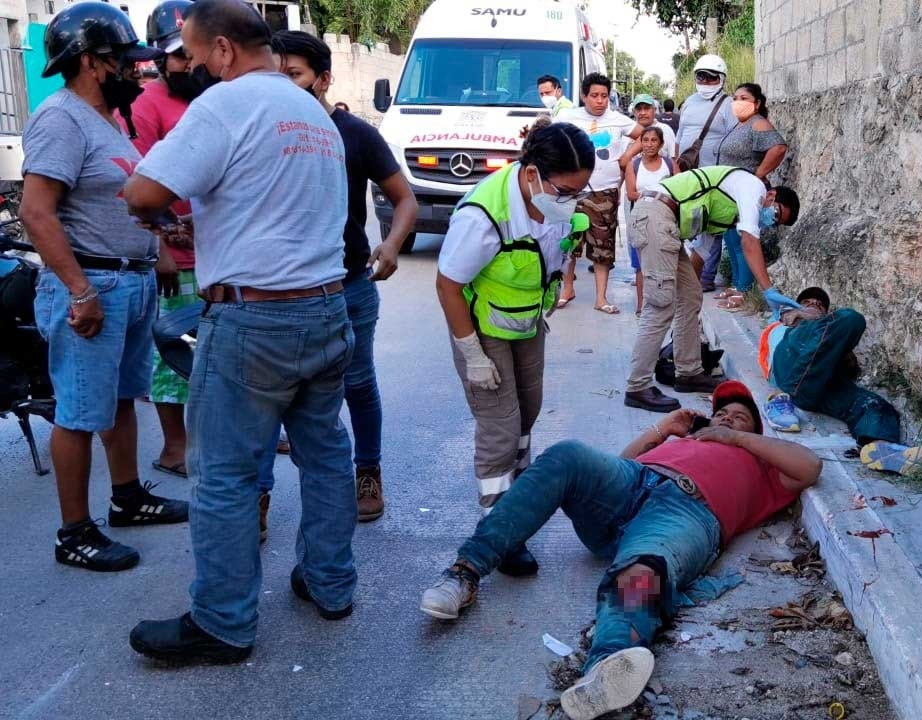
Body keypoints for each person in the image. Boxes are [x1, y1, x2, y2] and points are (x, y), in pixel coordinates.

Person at [125, 0, 354, 663]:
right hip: (326, 307)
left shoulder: (226, 104)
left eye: (196, 56)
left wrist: (166, 222)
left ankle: (223, 622)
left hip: (256, 317)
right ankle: (330, 582)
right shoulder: (313, 113)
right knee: (326, 453)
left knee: (223, 474)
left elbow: (142, 192)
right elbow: (279, 205)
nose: (192, 67)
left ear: (224, 49)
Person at [419, 381, 822, 720]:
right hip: (636, 482)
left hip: (688, 512)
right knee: (568, 456)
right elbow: (620, 465)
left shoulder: (765, 466)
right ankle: (464, 572)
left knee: (645, 569)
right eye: (722, 413)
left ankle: (604, 670)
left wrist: (734, 437)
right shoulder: (686, 440)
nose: (727, 417)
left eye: (740, 415)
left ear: (755, 431)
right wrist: (664, 430)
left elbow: (810, 466)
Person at [20, 2, 181, 573]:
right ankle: (74, 532)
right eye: (125, 61)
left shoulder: (110, 121)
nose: (138, 71)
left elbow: (121, 201)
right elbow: (37, 213)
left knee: (118, 400)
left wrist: (158, 246)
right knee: (79, 411)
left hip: (129, 281)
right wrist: (80, 291)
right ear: (91, 62)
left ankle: (128, 497)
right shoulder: (61, 118)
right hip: (93, 286)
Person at [436, 116, 593, 577]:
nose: (571, 201)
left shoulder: (557, 206)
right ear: (531, 175)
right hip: (480, 327)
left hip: (526, 323)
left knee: (528, 413)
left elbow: (557, 255)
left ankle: (517, 502)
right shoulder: (484, 214)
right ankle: (499, 528)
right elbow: (448, 285)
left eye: (578, 191)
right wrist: (472, 355)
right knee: (500, 426)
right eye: (564, 191)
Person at [274, 30, 417, 522]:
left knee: (357, 383)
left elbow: (405, 198)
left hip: (349, 284)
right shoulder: (265, 129)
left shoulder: (355, 133)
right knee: (276, 394)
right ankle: (257, 497)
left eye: (294, 75)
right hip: (279, 291)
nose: (284, 85)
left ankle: (368, 472)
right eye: (276, 75)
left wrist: (393, 244)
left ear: (324, 79)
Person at [118, 0, 211, 481]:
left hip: (214, 254)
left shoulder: (207, 99)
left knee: (211, 352)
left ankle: (213, 435)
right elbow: (133, 184)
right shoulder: (146, 105)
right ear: (157, 58)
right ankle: (176, 446)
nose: (185, 64)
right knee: (170, 356)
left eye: (188, 54)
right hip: (172, 257)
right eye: (175, 56)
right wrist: (157, 252)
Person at [624, 166, 801, 413]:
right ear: (771, 196)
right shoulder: (754, 188)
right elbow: (749, 241)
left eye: (776, 222)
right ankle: (637, 386)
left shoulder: (726, 212)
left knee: (690, 296)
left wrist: (688, 292)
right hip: (656, 214)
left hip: (665, 224)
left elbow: (700, 254)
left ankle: (688, 373)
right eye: (776, 213)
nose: (771, 220)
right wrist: (768, 290)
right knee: (661, 303)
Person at [756, 287, 900, 442]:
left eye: (819, 305)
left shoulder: (825, 332)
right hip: (787, 366)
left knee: (876, 406)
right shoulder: (787, 320)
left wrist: (843, 354)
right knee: (852, 317)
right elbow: (784, 315)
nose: (814, 304)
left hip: (817, 383)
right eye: (806, 302)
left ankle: (879, 445)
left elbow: (847, 367)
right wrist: (799, 314)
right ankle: (781, 397)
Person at [558, 72, 641, 314]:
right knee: (569, 243)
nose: (599, 100)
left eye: (604, 96)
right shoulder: (568, 117)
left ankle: (601, 298)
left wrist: (626, 157)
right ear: (584, 96)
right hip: (573, 192)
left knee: (602, 247)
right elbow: (547, 138)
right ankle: (567, 290)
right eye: (594, 95)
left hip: (605, 193)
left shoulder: (618, 119)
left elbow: (643, 134)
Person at [714, 83, 789, 306]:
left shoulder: (758, 123)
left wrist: (758, 174)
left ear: (756, 103)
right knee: (730, 238)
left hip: (743, 192)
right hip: (729, 194)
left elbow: (779, 147)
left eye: (744, 98)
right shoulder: (740, 125)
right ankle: (737, 284)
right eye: (735, 97)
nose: (738, 102)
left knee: (740, 240)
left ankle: (744, 291)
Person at [675, 55, 736, 292]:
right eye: (701, 76)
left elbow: (733, 139)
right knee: (691, 221)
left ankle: (705, 278)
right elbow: (680, 138)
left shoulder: (728, 105)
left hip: (714, 178)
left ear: (720, 79)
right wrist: (676, 168)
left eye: (711, 77)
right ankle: (691, 272)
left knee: (712, 226)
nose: (706, 81)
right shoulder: (689, 102)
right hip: (689, 176)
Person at [623, 126, 675, 315]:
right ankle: (641, 305)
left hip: (666, 221)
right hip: (641, 221)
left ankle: (665, 302)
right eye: (645, 140)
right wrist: (656, 195)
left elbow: (678, 190)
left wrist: (650, 195)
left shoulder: (669, 164)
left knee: (665, 262)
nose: (649, 144)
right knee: (641, 265)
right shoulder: (633, 165)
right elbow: (630, 194)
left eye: (654, 140)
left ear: (661, 144)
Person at [624, 94, 676, 159]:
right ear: (634, 112)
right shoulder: (627, 132)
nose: (643, 113)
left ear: (654, 110)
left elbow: (673, 158)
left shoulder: (666, 130)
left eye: (647, 108)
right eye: (639, 109)